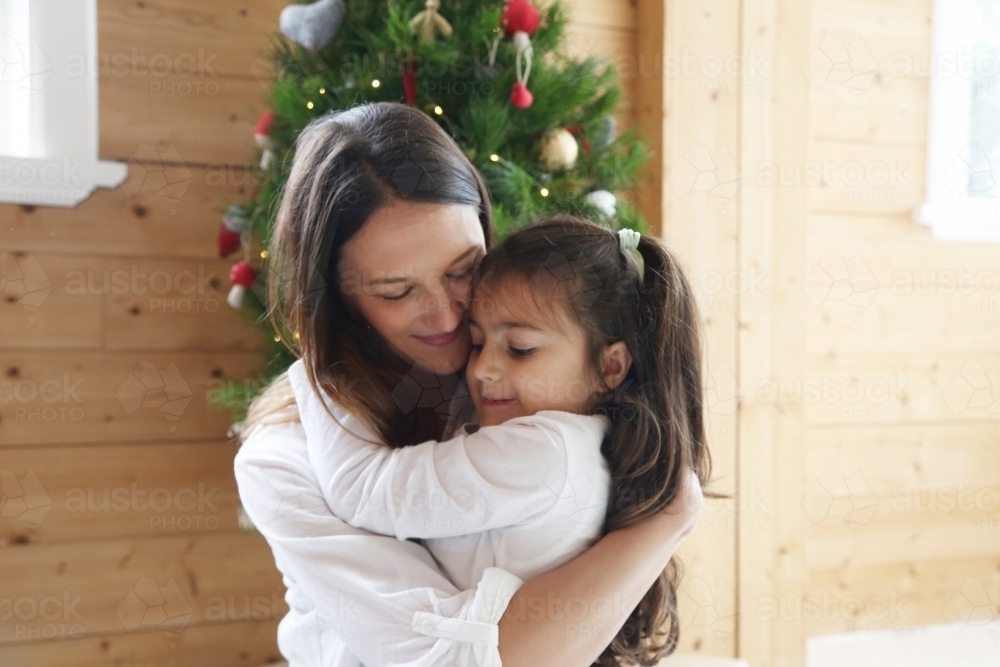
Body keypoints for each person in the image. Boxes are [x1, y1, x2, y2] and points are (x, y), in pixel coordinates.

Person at [233, 101, 705, 667]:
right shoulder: (283, 459)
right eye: (396, 291)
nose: (446, 316)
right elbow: (455, 659)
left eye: (462, 270)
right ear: (336, 301)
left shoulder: (520, 391)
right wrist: (661, 528)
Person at [289, 214, 712, 667]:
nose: (482, 368)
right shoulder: (579, 444)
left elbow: (365, 491)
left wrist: (315, 365)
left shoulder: (543, 451)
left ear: (610, 367)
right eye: (476, 343)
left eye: (520, 349)